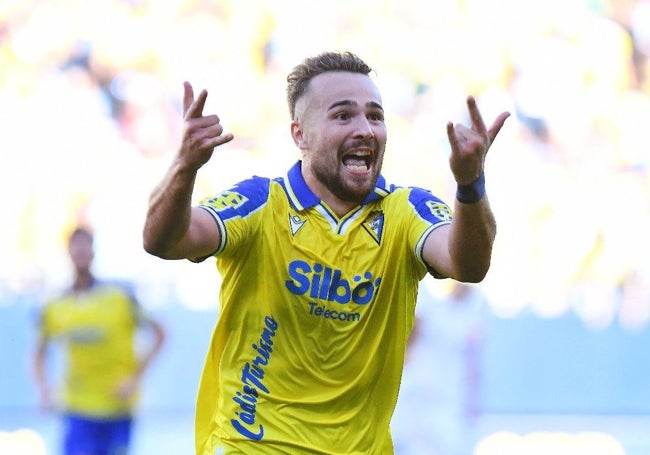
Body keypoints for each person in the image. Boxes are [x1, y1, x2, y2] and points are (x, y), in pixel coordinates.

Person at [142, 50, 509, 454]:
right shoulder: (260, 203)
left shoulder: (406, 213)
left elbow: (469, 265)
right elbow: (164, 241)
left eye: (375, 115)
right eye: (343, 116)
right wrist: (184, 167)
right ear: (300, 134)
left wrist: (470, 184)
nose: (366, 129)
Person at [33, 226, 166, 455]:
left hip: (117, 408)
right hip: (78, 409)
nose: (80, 253)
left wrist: (134, 379)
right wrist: (44, 388)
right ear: (69, 254)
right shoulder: (56, 306)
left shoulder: (120, 297)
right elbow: (38, 353)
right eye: (76, 249)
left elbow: (160, 334)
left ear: (93, 253)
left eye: (85, 247)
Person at [391, 281, 488, 455]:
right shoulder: (424, 295)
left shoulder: (475, 305)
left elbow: (473, 367)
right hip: (417, 404)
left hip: (451, 406)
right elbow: (404, 345)